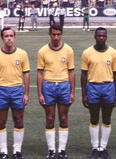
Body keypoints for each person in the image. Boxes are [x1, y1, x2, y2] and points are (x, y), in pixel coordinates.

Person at [0, 27, 31, 159]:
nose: (9, 38)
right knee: (1, 121)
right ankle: (3, 151)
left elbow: (26, 74)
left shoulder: (22, 54)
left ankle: (17, 150)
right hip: (1, 90)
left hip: (17, 90)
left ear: (15, 37)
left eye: (11, 36)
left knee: (18, 120)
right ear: (2, 38)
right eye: (6, 36)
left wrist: (26, 93)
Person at [36, 24, 75, 159]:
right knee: (50, 117)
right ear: (50, 34)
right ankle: (51, 150)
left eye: (58, 34)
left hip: (64, 86)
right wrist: (40, 93)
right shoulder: (43, 51)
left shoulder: (68, 50)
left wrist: (72, 92)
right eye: (54, 34)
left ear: (61, 34)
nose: (56, 37)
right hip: (48, 86)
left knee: (63, 117)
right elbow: (40, 73)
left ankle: (62, 150)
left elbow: (71, 71)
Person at [80, 27, 116, 159]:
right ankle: (94, 148)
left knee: (107, 119)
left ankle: (103, 147)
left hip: (108, 87)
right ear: (95, 37)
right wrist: (84, 94)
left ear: (106, 37)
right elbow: (84, 74)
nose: (101, 38)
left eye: (103, 36)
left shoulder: (113, 52)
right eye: (99, 36)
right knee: (94, 118)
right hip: (93, 87)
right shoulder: (87, 53)